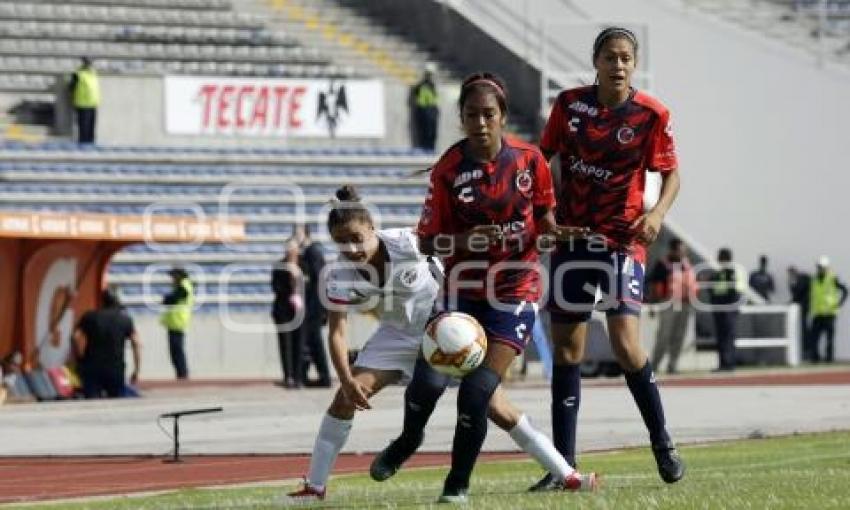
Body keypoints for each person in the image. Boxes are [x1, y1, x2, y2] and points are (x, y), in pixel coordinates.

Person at [285, 184, 595, 503]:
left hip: (444, 330)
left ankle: (567, 475)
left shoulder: (408, 242)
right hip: (396, 336)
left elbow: (452, 237)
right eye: (341, 242)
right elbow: (336, 331)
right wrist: (347, 379)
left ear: (372, 229)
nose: (350, 248)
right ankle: (315, 487)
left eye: (356, 238)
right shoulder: (338, 274)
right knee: (343, 400)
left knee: (494, 406)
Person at [536, 26, 685, 490]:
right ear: (596, 61)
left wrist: (658, 212)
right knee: (566, 350)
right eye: (610, 57)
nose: (617, 65)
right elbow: (542, 161)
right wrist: (546, 218)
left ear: (633, 65)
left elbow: (672, 173)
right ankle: (563, 467)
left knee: (625, 343)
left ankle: (662, 441)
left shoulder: (651, 114)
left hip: (622, 240)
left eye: (625, 58)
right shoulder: (569, 105)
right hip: (572, 238)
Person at [73, 290, 141, 398]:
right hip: (115, 367)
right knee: (115, 402)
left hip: (92, 366)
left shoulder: (90, 317)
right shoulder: (125, 320)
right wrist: (136, 370)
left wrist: (80, 357)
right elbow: (136, 343)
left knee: (91, 401)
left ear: (102, 302)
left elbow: (76, 337)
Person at [649, 238, 697, 375]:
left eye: (684, 251)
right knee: (663, 336)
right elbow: (654, 285)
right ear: (673, 250)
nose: (683, 253)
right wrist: (652, 305)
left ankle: (673, 365)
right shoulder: (663, 264)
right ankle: (654, 366)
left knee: (679, 336)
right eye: (681, 251)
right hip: (668, 304)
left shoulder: (686, 265)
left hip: (685, 305)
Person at [299, 224, 331, 387]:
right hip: (315, 304)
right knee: (312, 342)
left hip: (315, 305)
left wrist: (321, 308)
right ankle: (321, 377)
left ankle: (325, 377)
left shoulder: (313, 252)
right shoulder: (308, 253)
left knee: (315, 342)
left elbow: (320, 281)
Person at [271, 240, 304, 388]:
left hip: (300, 312)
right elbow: (276, 287)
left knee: (299, 344)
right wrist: (291, 292)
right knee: (286, 344)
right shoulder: (279, 266)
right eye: (288, 249)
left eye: (293, 249)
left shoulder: (303, 265)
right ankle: (288, 376)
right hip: (283, 311)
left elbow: (312, 285)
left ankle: (298, 377)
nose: (291, 251)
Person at [709, 248, 744, 372]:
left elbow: (736, 292)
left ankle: (729, 363)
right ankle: (723, 363)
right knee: (721, 337)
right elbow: (713, 290)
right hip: (719, 309)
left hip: (728, 310)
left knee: (728, 336)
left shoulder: (733, 272)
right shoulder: (719, 273)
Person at [807, 256, 848, 363]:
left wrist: (839, 303)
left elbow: (845, 290)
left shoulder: (832, 278)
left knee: (829, 339)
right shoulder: (814, 279)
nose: (820, 269)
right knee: (813, 338)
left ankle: (829, 359)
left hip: (829, 313)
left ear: (826, 267)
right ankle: (815, 359)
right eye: (818, 267)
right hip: (817, 313)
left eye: (821, 267)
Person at [159, 267, 193, 380]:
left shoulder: (184, 286)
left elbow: (173, 298)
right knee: (175, 350)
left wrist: (165, 299)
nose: (172, 279)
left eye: (173, 276)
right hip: (174, 322)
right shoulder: (182, 286)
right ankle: (180, 373)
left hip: (177, 321)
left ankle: (182, 374)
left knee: (177, 350)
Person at [68, 57, 100, 144]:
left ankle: (91, 145)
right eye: (88, 63)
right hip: (82, 105)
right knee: (83, 129)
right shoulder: (77, 74)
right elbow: (71, 87)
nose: (89, 64)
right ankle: (82, 147)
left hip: (93, 104)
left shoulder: (93, 73)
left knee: (91, 129)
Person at [410, 62, 439, 151]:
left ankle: (431, 149)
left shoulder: (432, 86)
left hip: (432, 111)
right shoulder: (420, 86)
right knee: (424, 133)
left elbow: (435, 99)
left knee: (432, 134)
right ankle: (425, 149)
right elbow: (417, 100)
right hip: (423, 111)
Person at [788, 265, 811, 357]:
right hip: (800, 308)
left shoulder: (801, 280)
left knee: (804, 329)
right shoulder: (795, 281)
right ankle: (804, 350)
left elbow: (798, 293)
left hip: (804, 308)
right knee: (801, 329)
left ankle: (807, 350)